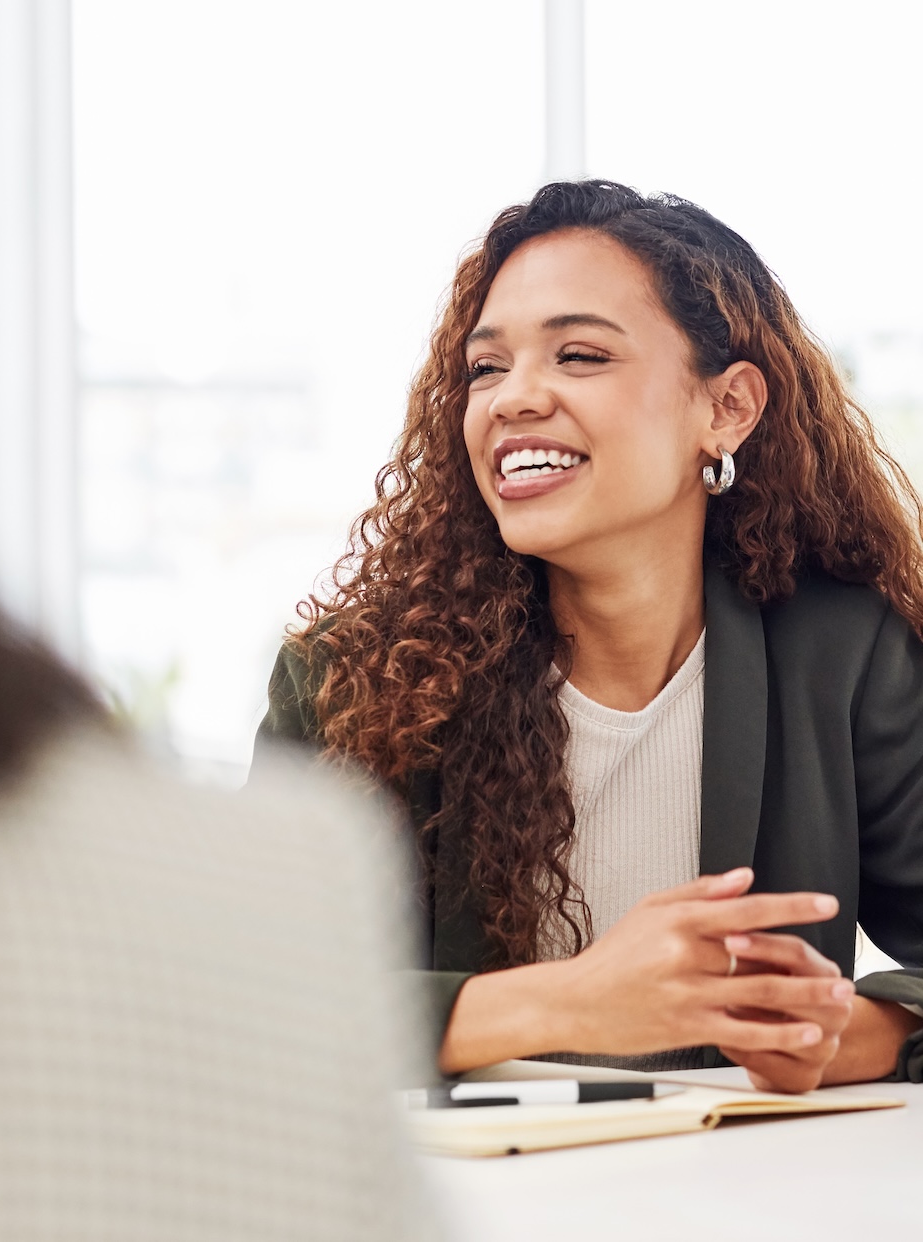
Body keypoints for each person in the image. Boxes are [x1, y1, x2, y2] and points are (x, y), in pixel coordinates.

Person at [257, 179, 923, 1095]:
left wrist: (861, 1032)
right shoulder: (354, 680)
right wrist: (573, 1001)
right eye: (485, 369)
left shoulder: (843, 654)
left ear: (726, 408)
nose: (514, 399)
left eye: (578, 355)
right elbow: (257, 1004)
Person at [0, 519, 435, 1241]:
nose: (519, 400)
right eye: (477, 391)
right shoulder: (300, 814)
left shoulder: (283, 859)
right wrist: (551, 1003)